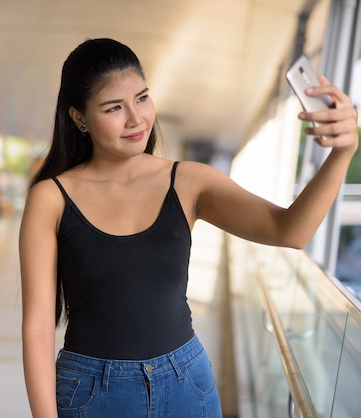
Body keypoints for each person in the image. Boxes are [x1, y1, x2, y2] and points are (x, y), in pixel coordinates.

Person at [18, 38, 358, 418]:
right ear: (79, 118)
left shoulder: (188, 182)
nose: (136, 118)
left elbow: (290, 231)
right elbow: (37, 327)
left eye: (142, 98)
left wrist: (342, 153)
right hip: (93, 393)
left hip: (184, 384)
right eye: (114, 107)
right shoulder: (51, 198)